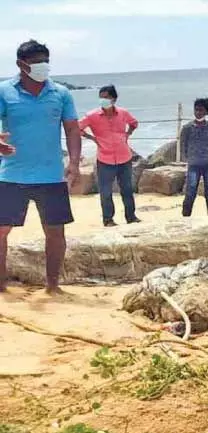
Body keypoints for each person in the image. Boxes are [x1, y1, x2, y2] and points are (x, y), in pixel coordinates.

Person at [0, 40, 82, 294]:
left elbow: (72, 129)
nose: (42, 66)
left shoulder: (61, 93)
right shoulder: (4, 91)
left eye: (45, 61)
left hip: (51, 175)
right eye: (36, 62)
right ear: (21, 65)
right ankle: (1, 287)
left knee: (55, 232)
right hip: (12, 174)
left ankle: (53, 286)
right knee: (1, 231)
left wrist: (74, 163)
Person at [79, 84, 140, 226]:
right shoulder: (92, 116)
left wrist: (128, 134)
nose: (103, 100)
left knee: (127, 190)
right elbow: (77, 128)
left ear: (114, 99)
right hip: (105, 159)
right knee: (105, 192)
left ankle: (131, 217)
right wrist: (91, 138)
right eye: (101, 98)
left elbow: (134, 123)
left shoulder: (123, 113)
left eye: (106, 97)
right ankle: (108, 220)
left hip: (124, 157)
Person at [180, 98, 208, 216]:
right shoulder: (187, 128)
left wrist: (205, 155)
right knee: (190, 192)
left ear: (206, 112)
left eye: (201, 110)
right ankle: (185, 218)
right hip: (193, 165)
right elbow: (183, 146)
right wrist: (190, 158)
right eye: (196, 110)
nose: (198, 113)